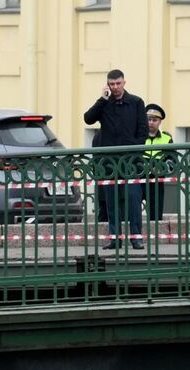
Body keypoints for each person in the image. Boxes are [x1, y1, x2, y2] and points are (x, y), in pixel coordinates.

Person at [84, 69, 148, 249]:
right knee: (111, 201)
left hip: (130, 161)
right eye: (111, 84)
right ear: (108, 85)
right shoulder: (105, 103)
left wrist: (134, 150)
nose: (115, 87)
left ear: (124, 83)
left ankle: (136, 237)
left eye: (118, 83)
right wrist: (102, 99)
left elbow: (142, 130)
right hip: (109, 163)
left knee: (133, 199)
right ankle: (115, 238)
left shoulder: (136, 102)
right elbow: (88, 119)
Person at [143, 104, 173, 223]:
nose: (151, 122)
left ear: (160, 122)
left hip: (157, 179)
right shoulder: (139, 136)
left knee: (155, 212)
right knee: (132, 210)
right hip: (139, 178)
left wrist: (162, 168)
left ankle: (154, 237)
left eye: (154, 120)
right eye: (149, 119)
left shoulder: (166, 138)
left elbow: (172, 160)